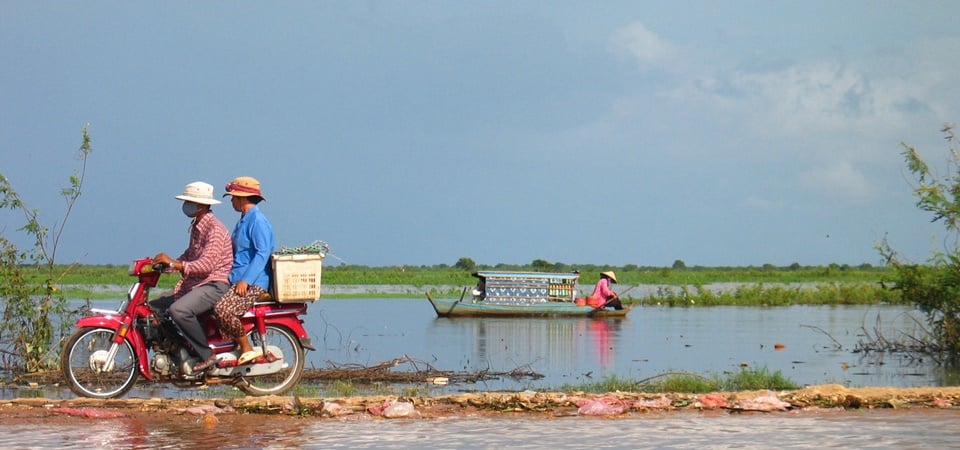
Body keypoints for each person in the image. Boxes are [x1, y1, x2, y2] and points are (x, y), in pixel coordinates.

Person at [149, 182, 233, 374]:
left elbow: (206, 265)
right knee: (155, 306)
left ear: (202, 205)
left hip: (214, 283)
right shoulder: (198, 227)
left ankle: (206, 355)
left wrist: (175, 264)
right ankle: (179, 348)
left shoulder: (215, 230)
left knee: (179, 310)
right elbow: (190, 255)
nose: (187, 205)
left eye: (190, 201)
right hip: (197, 283)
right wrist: (166, 265)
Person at [214, 176, 275, 366]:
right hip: (236, 278)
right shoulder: (244, 220)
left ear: (242, 198)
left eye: (233, 197)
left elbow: (262, 253)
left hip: (254, 282)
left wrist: (245, 281)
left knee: (223, 310)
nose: (231, 201)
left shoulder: (257, 220)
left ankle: (246, 347)